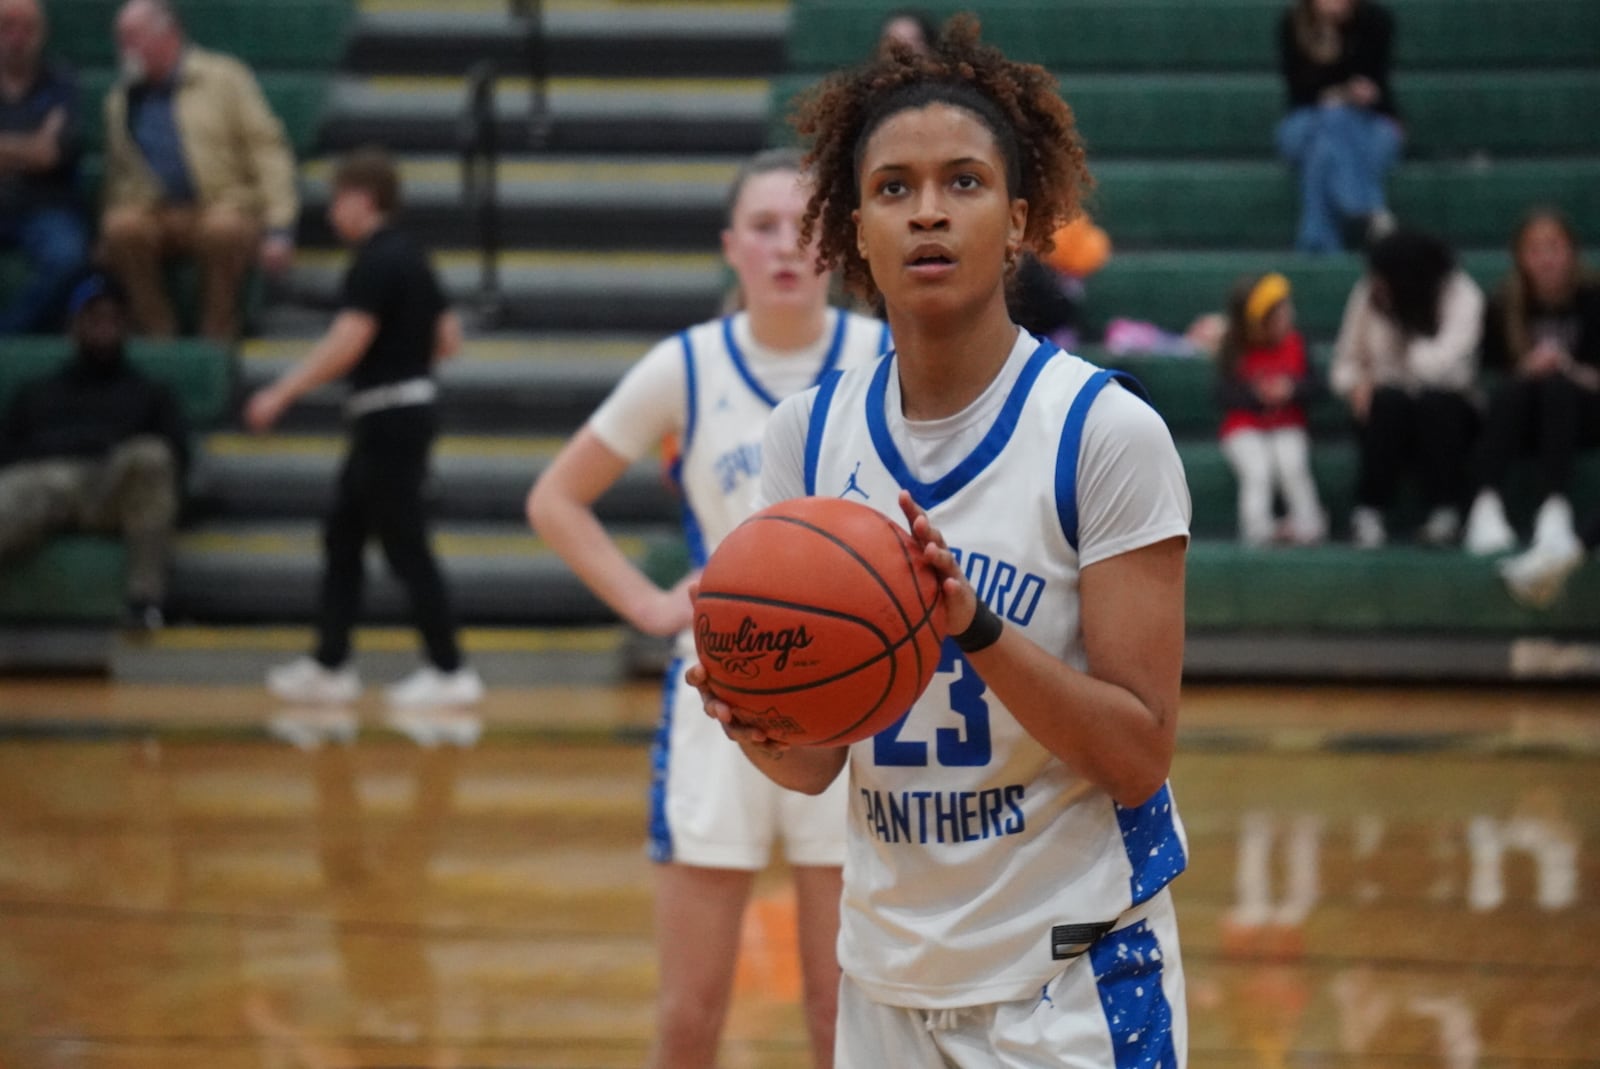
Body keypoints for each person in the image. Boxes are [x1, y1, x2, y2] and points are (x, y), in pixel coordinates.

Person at [695, 18, 1192, 1065]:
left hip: (1071, 977)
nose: (927, 210)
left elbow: (1138, 752)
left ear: (1019, 222)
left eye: (962, 183)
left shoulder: (1103, 432)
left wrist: (971, 625)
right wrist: (754, 708)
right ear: (852, 232)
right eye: (892, 189)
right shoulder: (808, 436)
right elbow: (814, 766)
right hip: (883, 977)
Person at [527, 147, 888, 1069]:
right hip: (717, 699)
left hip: (853, 712)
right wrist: (650, 604)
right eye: (761, 227)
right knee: (689, 1018)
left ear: (835, 241)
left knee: (837, 1015)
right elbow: (555, 498)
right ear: (730, 247)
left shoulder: (881, 353)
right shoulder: (685, 365)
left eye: (801, 225)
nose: (783, 247)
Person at [246, 147, 480, 710]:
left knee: (405, 544)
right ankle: (331, 663)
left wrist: (281, 392)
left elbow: (347, 343)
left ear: (362, 199)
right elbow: (449, 339)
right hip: (402, 411)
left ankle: (450, 669)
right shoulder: (414, 258)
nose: (331, 213)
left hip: (388, 416)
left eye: (338, 199)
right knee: (343, 535)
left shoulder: (376, 261)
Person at [99, 0, 298, 340]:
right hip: (157, 210)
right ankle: (158, 335)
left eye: (132, 37)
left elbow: (268, 149)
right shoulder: (121, 99)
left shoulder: (225, 77)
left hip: (226, 204)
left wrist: (280, 226)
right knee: (121, 227)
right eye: (121, 39)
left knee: (222, 229)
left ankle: (217, 336)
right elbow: (117, 176)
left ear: (168, 34)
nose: (124, 48)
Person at [0, 274, 185, 630]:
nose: (104, 325)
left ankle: (144, 602)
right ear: (74, 325)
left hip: (111, 488)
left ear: (127, 326)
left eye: (113, 317)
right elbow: (7, 452)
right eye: (94, 317)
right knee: (21, 487)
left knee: (151, 455)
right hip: (45, 484)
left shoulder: (151, 393)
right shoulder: (37, 392)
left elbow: (178, 458)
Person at [1329, 228, 1482, 548]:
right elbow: (1344, 364)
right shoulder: (1368, 294)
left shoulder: (1463, 295)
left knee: (1435, 404)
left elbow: (1439, 369)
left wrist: (1405, 320)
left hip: (1447, 411)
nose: (1376, 285)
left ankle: (1446, 511)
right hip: (1388, 410)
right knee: (1388, 402)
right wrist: (1357, 384)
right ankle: (1369, 512)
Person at [1462, 209, 1600, 563]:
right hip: (1520, 419)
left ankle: (1555, 508)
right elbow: (1487, 378)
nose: (1546, 259)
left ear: (1571, 252)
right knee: (1515, 389)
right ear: (1521, 257)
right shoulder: (1504, 303)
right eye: (1535, 250)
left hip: (1582, 415)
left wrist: (1566, 367)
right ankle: (1486, 505)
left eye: (1554, 247)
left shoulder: (1593, 298)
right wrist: (1526, 369)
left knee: (1556, 387)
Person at [1275, 0, 1402, 254]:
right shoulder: (1293, 24)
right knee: (1331, 118)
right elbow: (1301, 90)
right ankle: (1366, 208)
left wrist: (1354, 94)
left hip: (1366, 124)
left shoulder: (1374, 21)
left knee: (1322, 151)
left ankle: (1317, 243)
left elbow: (1376, 84)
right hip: (1305, 121)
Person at [1216, 272, 1327, 546]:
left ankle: (1308, 524)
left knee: (1291, 464)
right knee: (1258, 469)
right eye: (1275, 316)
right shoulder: (1236, 349)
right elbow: (1222, 393)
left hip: (1287, 423)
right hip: (1244, 427)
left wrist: (1291, 390)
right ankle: (1258, 530)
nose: (1285, 319)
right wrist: (1256, 395)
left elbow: (1317, 386)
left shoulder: (1296, 343)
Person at [0, 0, 88, 334]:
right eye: (7, 26)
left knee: (68, 257)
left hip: (45, 203)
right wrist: (31, 145)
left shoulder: (61, 81)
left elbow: (53, 154)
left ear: (41, 34)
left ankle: (7, 337)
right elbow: (38, 150)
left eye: (27, 27)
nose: (17, 36)